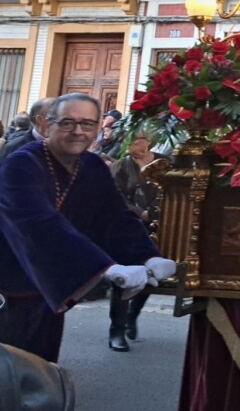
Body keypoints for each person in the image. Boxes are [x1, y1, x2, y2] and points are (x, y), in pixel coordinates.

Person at [0, 92, 176, 362]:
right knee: (11, 370)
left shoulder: (92, 164)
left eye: (87, 124)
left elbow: (114, 216)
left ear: (97, 128)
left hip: (49, 286)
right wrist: (106, 268)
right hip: (11, 281)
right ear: (49, 125)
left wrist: (147, 254)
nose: (78, 131)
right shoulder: (22, 162)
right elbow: (38, 222)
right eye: (68, 123)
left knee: (40, 373)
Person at [107, 130, 167, 352]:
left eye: (135, 139)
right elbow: (114, 195)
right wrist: (138, 212)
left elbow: (174, 191)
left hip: (161, 227)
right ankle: (117, 331)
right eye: (128, 140)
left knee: (152, 276)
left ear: (148, 142)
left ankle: (133, 315)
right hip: (129, 227)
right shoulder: (122, 166)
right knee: (124, 279)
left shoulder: (164, 162)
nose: (130, 143)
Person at [0, 97, 54, 164]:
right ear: (40, 120)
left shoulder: (65, 146)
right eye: (55, 117)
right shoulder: (15, 147)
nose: (60, 122)